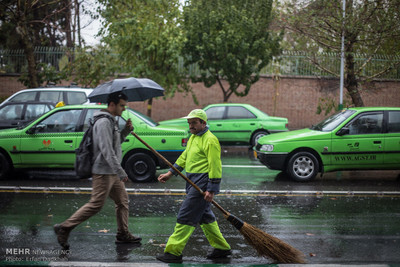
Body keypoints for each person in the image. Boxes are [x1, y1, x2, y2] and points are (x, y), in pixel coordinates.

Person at [54, 91, 141, 249]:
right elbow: (106, 150)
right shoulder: (103, 122)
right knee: (96, 204)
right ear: (112, 105)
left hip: (112, 171)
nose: (123, 109)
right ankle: (64, 228)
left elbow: (116, 144)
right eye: (121, 105)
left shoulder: (112, 121)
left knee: (122, 202)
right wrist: (121, 171)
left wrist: (126, 131)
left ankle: (123, 234)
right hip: (103, 171)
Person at [156, 109, 231, 263]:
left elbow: (215, 165)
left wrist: (211, 189)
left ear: (203, 123)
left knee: (186, 215)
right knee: (205, 216)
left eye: (194, 122)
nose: (191, 125)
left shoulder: (210, 140)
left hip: (203, 182)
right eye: (189, 123)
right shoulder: (193, 137)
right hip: (192, 180)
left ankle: (173, 252)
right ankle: (222, 248)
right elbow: (185, 156)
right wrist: (170, 173)